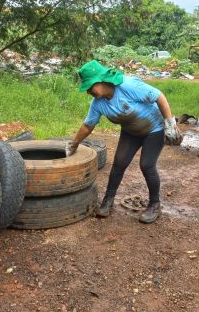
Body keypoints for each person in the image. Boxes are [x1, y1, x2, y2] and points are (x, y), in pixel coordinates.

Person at [66, 60, 181, 224]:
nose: (88, 92)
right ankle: (108, 201)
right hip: (131, 132)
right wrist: (74, 143)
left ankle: (155, 205)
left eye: (90, 87)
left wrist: (170, 124)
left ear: (101, 80)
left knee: (147, 165)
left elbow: (159, 96)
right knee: (119, 163)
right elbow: (88, 125)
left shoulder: (128, 86)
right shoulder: (97, 103)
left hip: (154, 129)